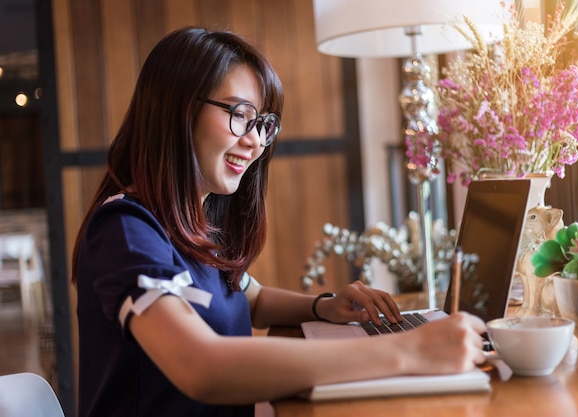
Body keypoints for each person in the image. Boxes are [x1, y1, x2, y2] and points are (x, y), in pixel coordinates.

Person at [72, 27, 487, 417]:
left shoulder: (193, 217)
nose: (254, 141)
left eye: (262, 125)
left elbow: (247, 297)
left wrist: (324, 307)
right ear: (176, 111)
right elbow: (199, 365)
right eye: (239, 114)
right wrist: (408, 352)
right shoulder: (126, 229)